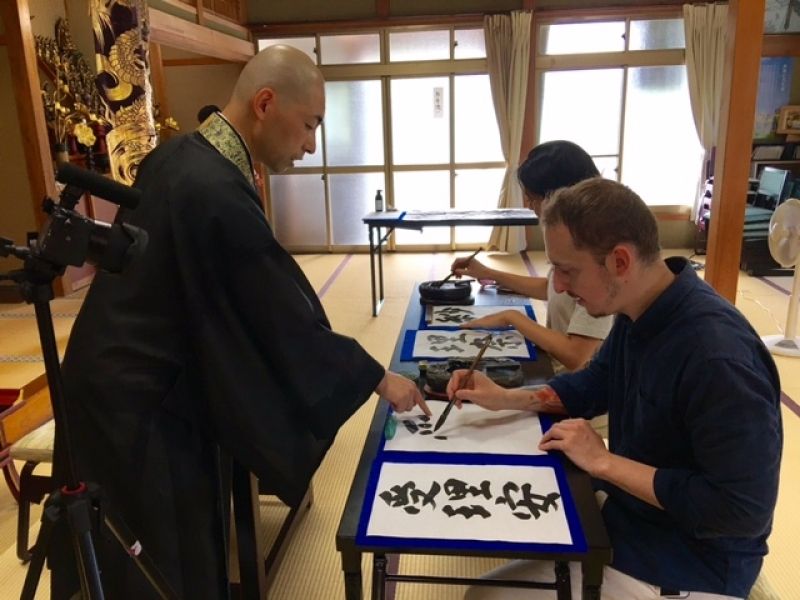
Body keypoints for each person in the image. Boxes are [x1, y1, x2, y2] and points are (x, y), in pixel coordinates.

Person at [50, 45, 429, 599]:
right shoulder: (212, 189)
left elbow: (250, 296)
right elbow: (278, 314)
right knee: (153, 562)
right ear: (266, 103)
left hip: (113, 381)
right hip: (140, 406)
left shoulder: (180, 157)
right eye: (308, 125)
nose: (310, 145)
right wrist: (377, 377)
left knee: (133, 556)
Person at [448, 178, 782, 599]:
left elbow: (740, 510)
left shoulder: (717, 357)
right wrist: (507, 398)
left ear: (620, 261)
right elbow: (594, 383)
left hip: (692, 562)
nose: (560, 286)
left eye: (567, 270)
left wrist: (603, 462)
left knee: (485, 596)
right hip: (634, 514)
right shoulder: (638, 309)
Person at [451, 141, 614, 373]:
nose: (530, 206)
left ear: (560, 195)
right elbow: (553, 288)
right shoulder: (576, 238)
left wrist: (513, 318)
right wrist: (488, 273)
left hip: (582, 395)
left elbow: (578, 356)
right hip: (562, 378)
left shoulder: (598, 252)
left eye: (533, 198)